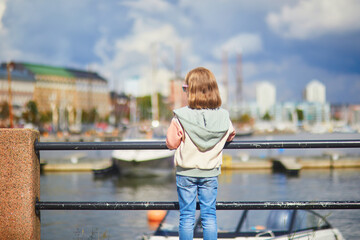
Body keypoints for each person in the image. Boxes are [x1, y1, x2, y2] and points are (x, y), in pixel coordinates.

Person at [166, 67, 236, 240]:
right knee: (209, 217)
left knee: (187, 217)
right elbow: (231, 134)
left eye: (185, 89)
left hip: (186, 173)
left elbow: (171, 143)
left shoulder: (180, 117)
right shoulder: (223, 116)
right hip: (210, 172)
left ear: (192, 92)